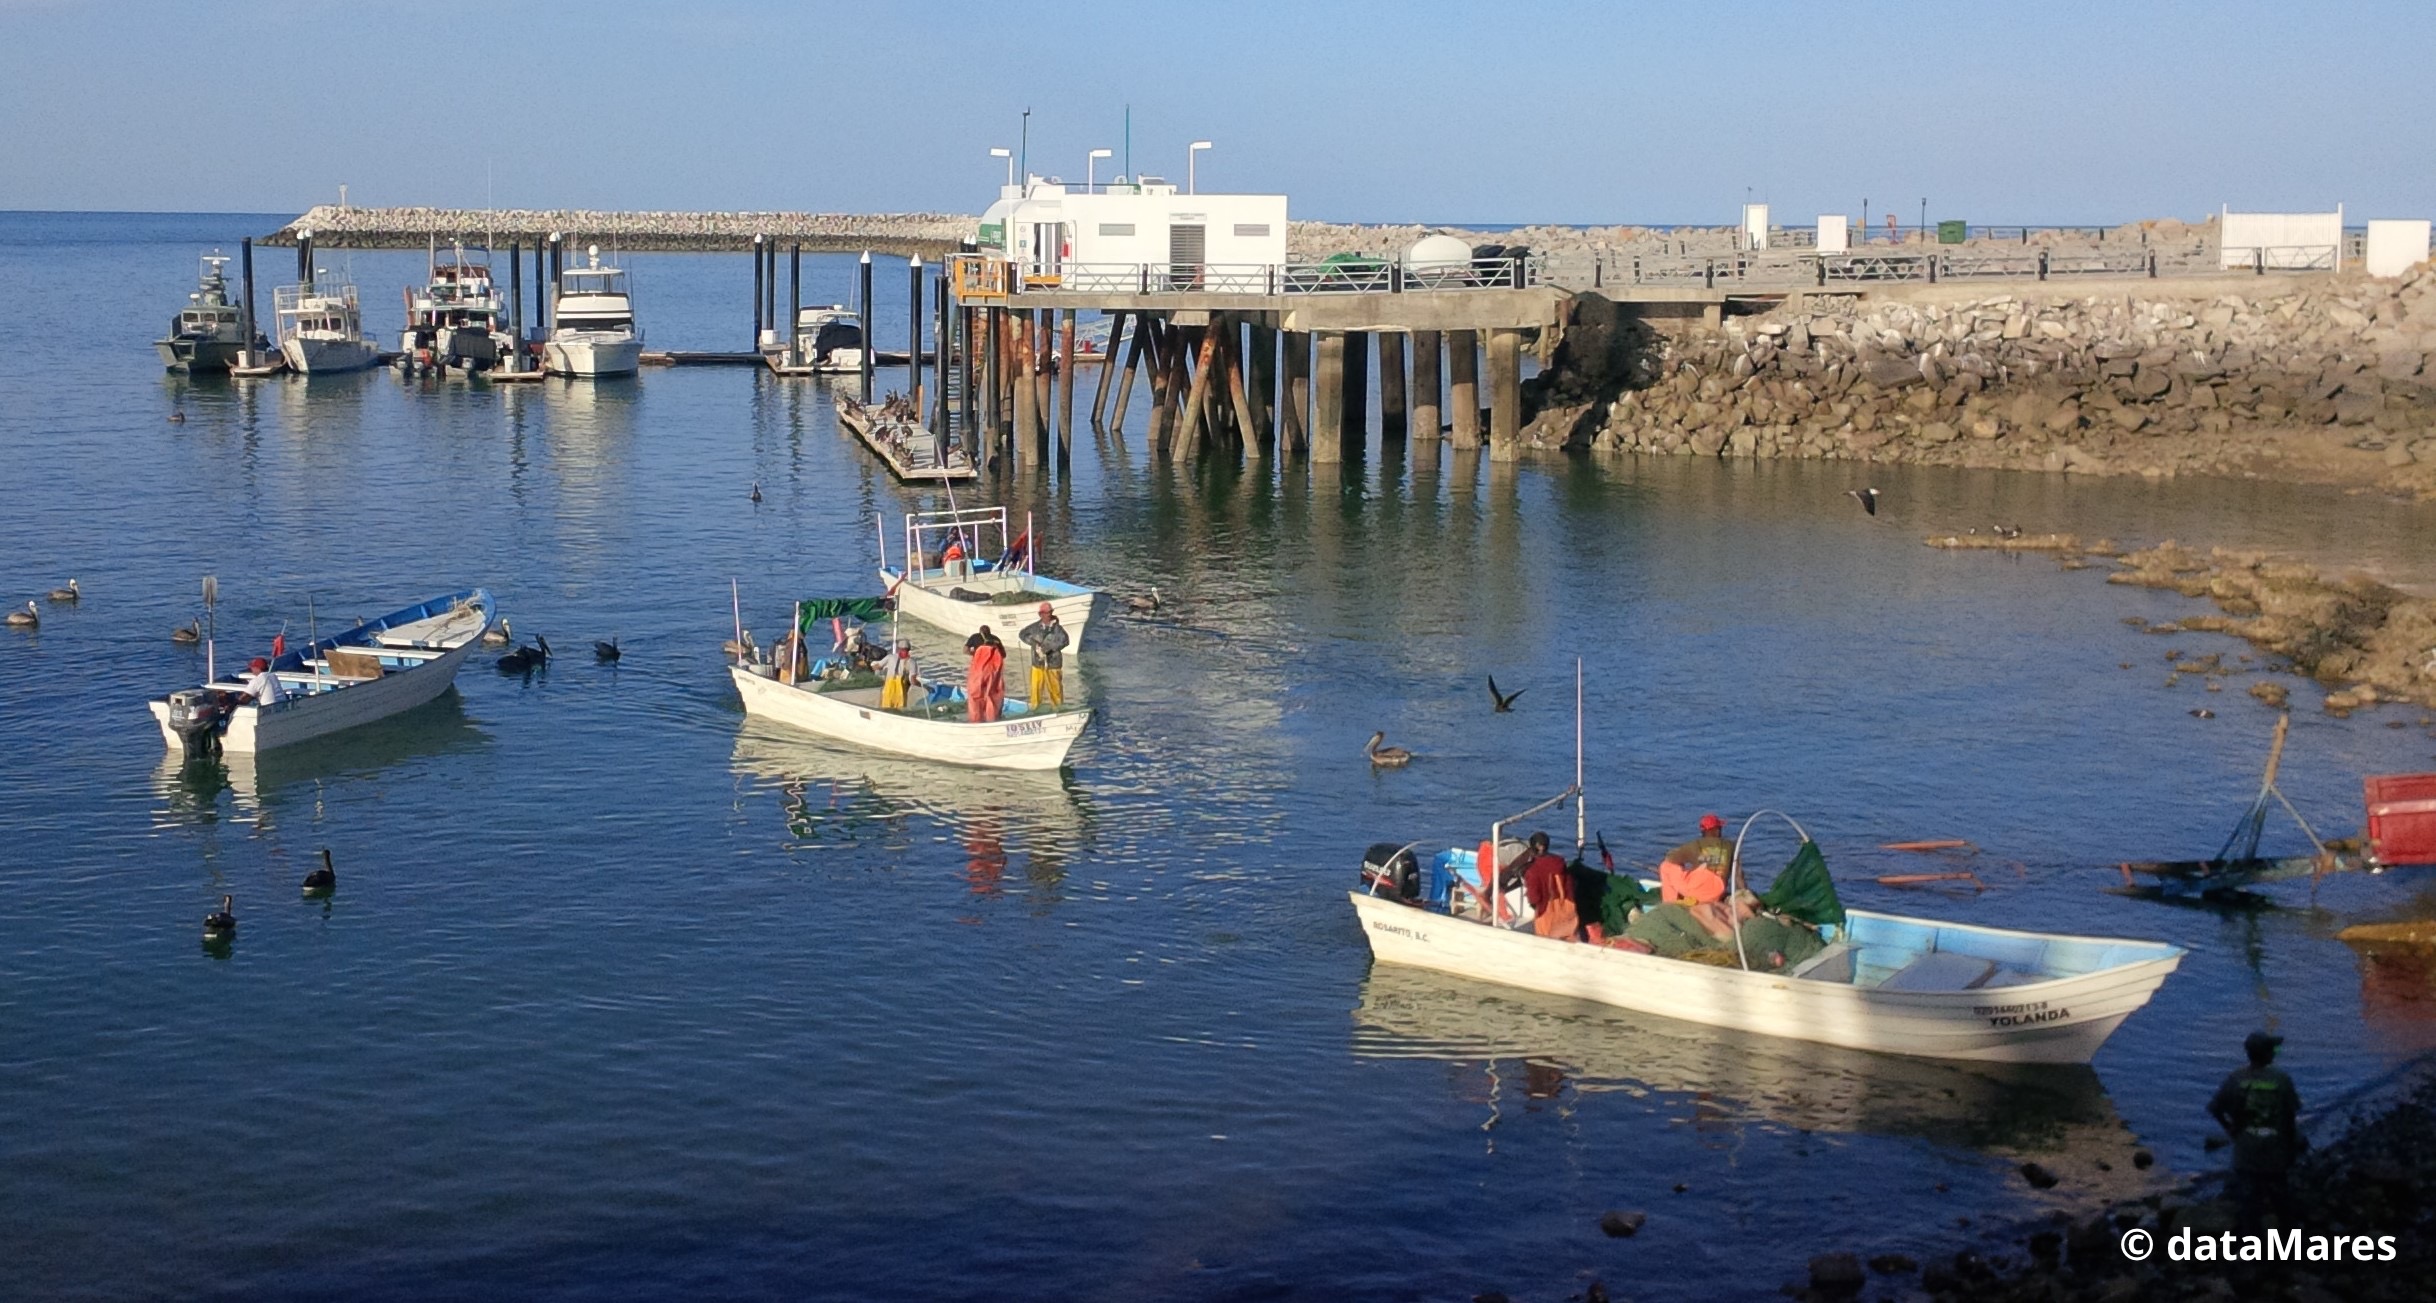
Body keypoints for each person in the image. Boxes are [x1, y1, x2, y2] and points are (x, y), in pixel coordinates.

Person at [2209, 1030, 2306, 1235]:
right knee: (2281, 1198)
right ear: (2267, 1054)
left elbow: (2214, 1108)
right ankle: (2287, 1243)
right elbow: (2290, 1116)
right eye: (2274, 1049)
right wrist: (2293, 1145)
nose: (2276, 1052)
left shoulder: (2235, 1078)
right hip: (2275, 1150)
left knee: (2249, 1202)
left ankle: (2253, 1247)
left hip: (2246, 1151)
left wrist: (2230, 1130)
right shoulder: (2281, 1080)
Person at [1520, 831, 1580, 941]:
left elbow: (1534, 898)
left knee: (1546, 943)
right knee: (1569, 940)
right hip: (1567, 909)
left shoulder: (1533, 871)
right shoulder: (1560, 863)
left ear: (1534, 847)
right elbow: (1571, 885)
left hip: (1546, 913)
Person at [1660, 814, 1733, 903]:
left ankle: (1669, 903)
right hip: (1716, 893)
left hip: (1697, 892)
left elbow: (1670, 858)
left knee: (1666, 866)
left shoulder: (1694, 845)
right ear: (1717, 830)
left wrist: (1682, 867)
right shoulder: (1731, 846)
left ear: (1703, 832)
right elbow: (1738, 875)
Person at [1019, 602, 1068, 708]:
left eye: (1050, 612)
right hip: (1037, 664)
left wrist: (1049, 648)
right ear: (1040, 614)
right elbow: (1022, 634)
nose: (1048, 615)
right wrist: (1034, 643)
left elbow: (1065, 641)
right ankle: (1035, 710)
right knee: (1036, 690)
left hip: (1053, 664)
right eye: (1046, 613)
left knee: (1056, 691)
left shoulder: (1058, 629)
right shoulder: (1034, 627)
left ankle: (1058, 710)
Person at [964, 625, 1006, 723]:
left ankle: (976, 720)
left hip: (979, 670)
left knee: (975, 695)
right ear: (990, 632)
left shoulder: (975, 637)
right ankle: (993, 719)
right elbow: (1003, 654)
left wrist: (974, 654)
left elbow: (965, 650)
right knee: (993, 694)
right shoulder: (996, 640)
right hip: (994, 672)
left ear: (980, 632)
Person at [879, 641, 919, 710]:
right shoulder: (911, 662)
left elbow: (877, 666)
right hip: (900, 692)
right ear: (909, 650)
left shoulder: (890, 657)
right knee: (898, 712)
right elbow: (913, 681)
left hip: (888, 691)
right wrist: (921, 685)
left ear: (898, 649)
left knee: (885, 709)